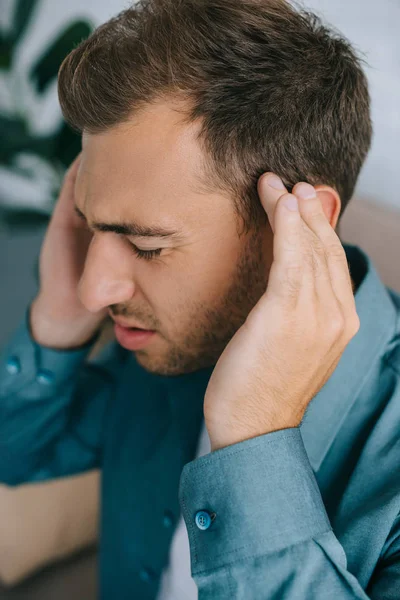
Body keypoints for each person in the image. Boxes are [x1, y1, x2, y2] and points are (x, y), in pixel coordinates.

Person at [1, 0, 399, 598]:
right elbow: (17, 455)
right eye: (91, 225)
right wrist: (57, 320)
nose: (94, 289)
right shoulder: (167, 343)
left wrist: (255, 437)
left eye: (146, 245)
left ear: (291, 227)